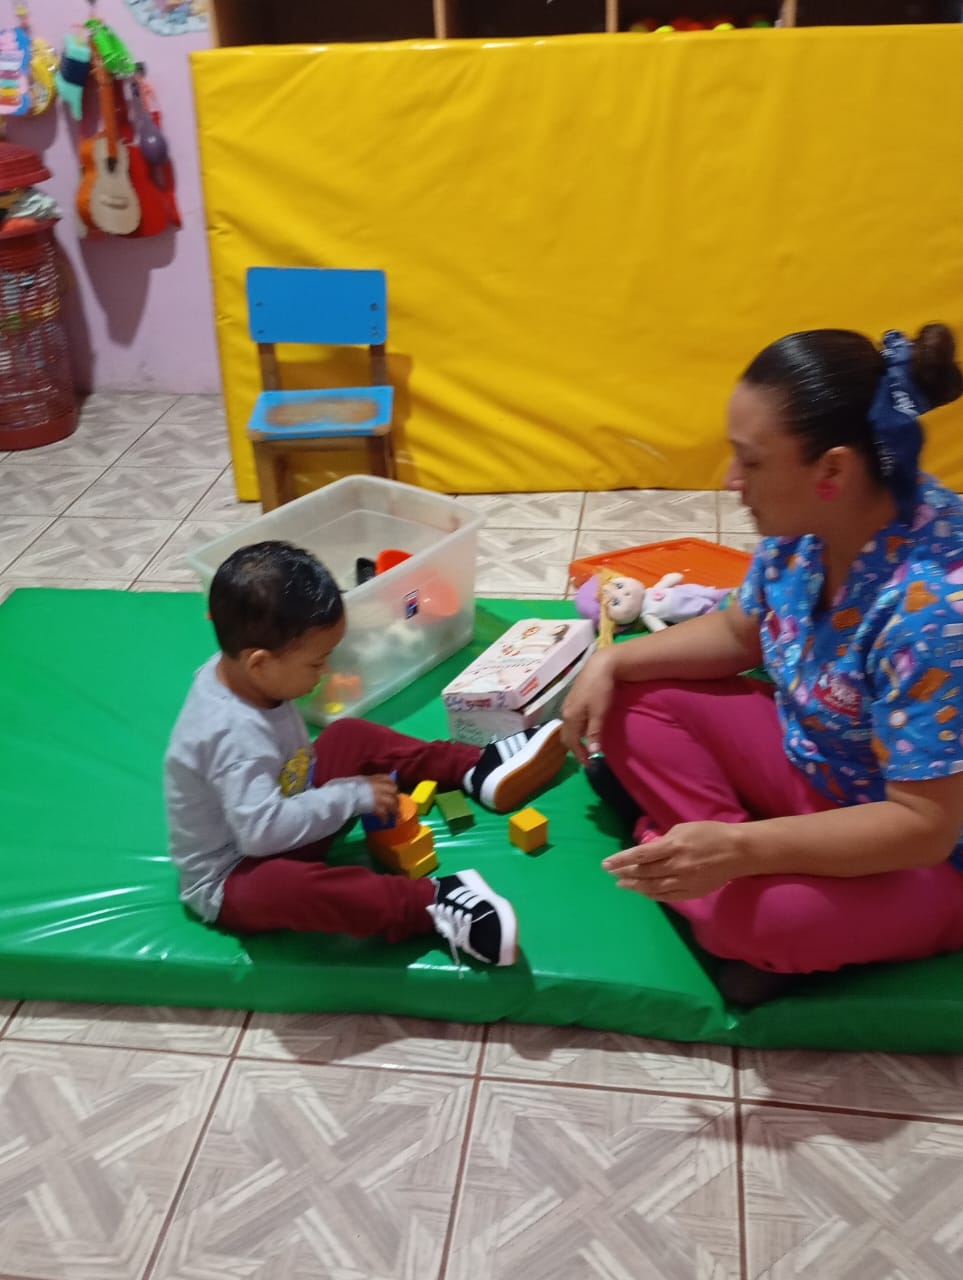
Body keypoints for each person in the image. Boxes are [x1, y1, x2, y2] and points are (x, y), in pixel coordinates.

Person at [562, 324, 963, 1002]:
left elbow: (924, 827)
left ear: (831, 471)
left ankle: (708, 867)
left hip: (923, 849)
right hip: (817, 768)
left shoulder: (934, 612)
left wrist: (742, 851)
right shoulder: (805, 528)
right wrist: (608, 665)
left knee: (756, 922)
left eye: (749, 462)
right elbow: (738, 632)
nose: (730, 482)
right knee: (631, 696)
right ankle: (704, 860)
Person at [165, 540, 567, 968]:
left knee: (347, 735)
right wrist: (351, 796)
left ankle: (475, 769)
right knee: (283, 887)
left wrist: (333, 791)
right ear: (259, 664)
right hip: (237, 871)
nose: (326, 672)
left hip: (290, 800)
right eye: (316, 663)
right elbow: (261, 833)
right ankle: (429, 904)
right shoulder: (232, 738)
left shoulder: (244, 669)